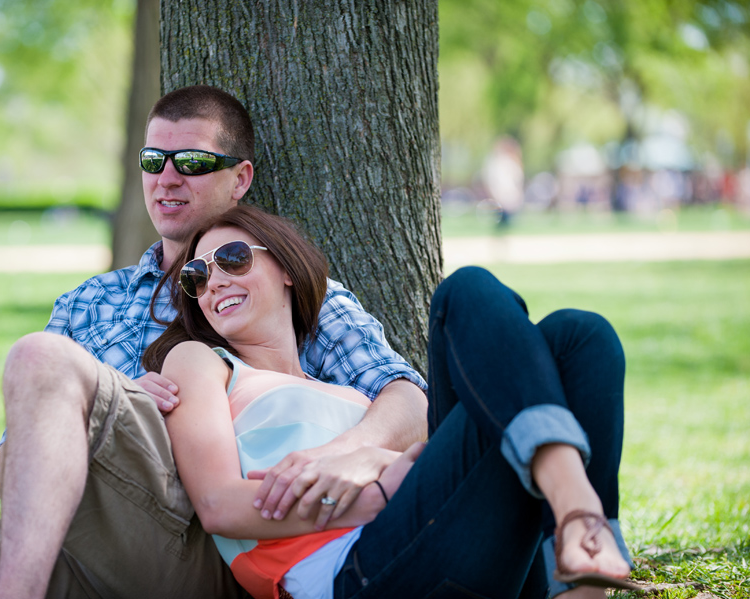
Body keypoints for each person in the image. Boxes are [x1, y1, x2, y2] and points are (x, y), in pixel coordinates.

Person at [0, 86, 427, 599]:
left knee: (42, 357)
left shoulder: (280, 288)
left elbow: (405, 395)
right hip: (76, 516)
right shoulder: (88, 302)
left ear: (241, 178)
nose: (168, 177)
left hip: (203, 537)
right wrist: (101, 405)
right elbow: (14, 461)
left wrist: (339, 458)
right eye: (153, 161)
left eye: (195, 162)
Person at [149, 205, 639, 599]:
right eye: (196, 275)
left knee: (579, 334)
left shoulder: (351, 393)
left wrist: (369, 457)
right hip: (355, 573)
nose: (212, 282)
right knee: (464, 293)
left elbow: (413, 447)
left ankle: (580, 565)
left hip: (464, 542)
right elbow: (218, 505)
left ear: (287, 269)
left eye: (233, 258)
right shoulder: (200, 362)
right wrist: (379, 493)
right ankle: (581, 521)